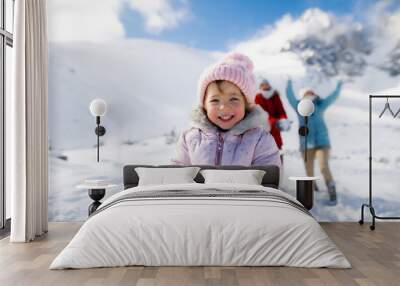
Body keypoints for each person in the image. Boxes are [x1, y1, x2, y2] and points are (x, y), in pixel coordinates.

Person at [171, 53, 281, 168]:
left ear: (246, 104)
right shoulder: (190, 139)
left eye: (233, 99)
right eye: (215, 100)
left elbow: (268, 179)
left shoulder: (259, 139)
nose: (224, 107)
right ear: (204, 105)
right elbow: (177, 176)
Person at [286, 79, 342, 205]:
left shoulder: (320, 105)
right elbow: (289, 97)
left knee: (323, 166)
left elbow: (332, 97)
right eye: (308, 93)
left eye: (312, 92)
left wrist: (339, 86)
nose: (311, 94)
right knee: (308, 169)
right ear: (303, 96)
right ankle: (313, 187)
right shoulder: (298, 106)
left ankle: (331, 189)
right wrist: (289, 83)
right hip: (306, 144)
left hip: (322, 142)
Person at [255, 78, 291, 163]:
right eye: (262, 84)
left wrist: (284, 120)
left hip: (276, 129)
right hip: (264, 128)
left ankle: (280, 171)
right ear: (260, 86)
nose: (265, 86)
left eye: (266, 84)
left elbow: (281, 111)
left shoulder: (275, 96)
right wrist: (274, 120)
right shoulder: (258, 97)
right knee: (264, 151)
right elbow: (260, 113)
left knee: (278, 149)